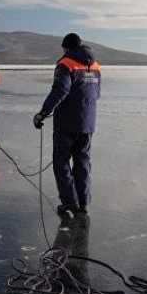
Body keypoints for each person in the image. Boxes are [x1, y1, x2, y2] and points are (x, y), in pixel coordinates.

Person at [33, 33, 101, 215]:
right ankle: (84, 201)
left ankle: (69, 201)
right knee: (83, 162)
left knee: (61, 161)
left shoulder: (66, 64)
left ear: (66, 47)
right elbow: (96, 93)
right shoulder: (95, 66)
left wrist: (43, 112)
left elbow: (61, 90)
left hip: (67, 124)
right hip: (88, 123)